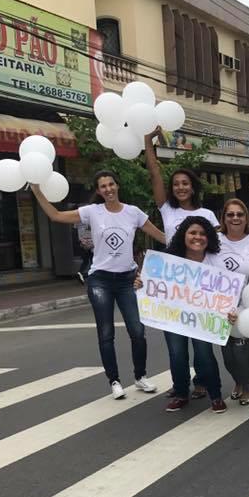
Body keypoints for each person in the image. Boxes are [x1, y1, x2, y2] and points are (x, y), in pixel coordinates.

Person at [32, 171, 165, 399]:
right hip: (100, 280)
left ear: (117, 185)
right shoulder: (92, 212)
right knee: (106, 332)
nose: (108, 189)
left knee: (137, 331)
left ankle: (140, 376)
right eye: (103, 186)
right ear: (98, 190)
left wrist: (202, 239)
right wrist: (36, 190)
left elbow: (161, 236)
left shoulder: (133, 213)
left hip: (127, 280)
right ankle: (114, 381)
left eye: (111, 184)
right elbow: (56, 215)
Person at [135, 216, 228, 414]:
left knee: (204, 354)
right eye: (192, 233)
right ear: (183, 236)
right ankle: (181, 393)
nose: (198, 237)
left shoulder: (215, 260)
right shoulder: (168, 260)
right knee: (177, 354)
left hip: (202, 318)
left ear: (209, 237)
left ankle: (216, 395)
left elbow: (226, 292)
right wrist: (141, 283)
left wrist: (230, 310)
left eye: (202, 233)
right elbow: (152, 285)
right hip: (173, 316)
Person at [217, 198, 249, 405]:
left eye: (240, 214)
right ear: (224, 218)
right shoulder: (215, 240)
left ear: (246, 218)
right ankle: (238, 381)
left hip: (247, 306)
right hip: (220, 308)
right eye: (230, 214)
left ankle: (247, 387)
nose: (235, 218)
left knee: (240, 352)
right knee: (227, 355)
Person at [144, 130, 217, 246]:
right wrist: (148, 138)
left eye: (185, 183)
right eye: (176, 184)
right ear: (172, 189)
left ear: (192, 188)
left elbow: (218, 245)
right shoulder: (167, 209)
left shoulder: (208, 215)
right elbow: (154, 173)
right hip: (172, 258)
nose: (180, 187)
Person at [76, 220, 93, 285]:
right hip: (90, 243)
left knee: (86, 261)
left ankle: (80, 273)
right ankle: (90, 276)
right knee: (92, 261)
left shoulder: (77, 222)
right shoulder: (89, 221)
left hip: (82, 243)